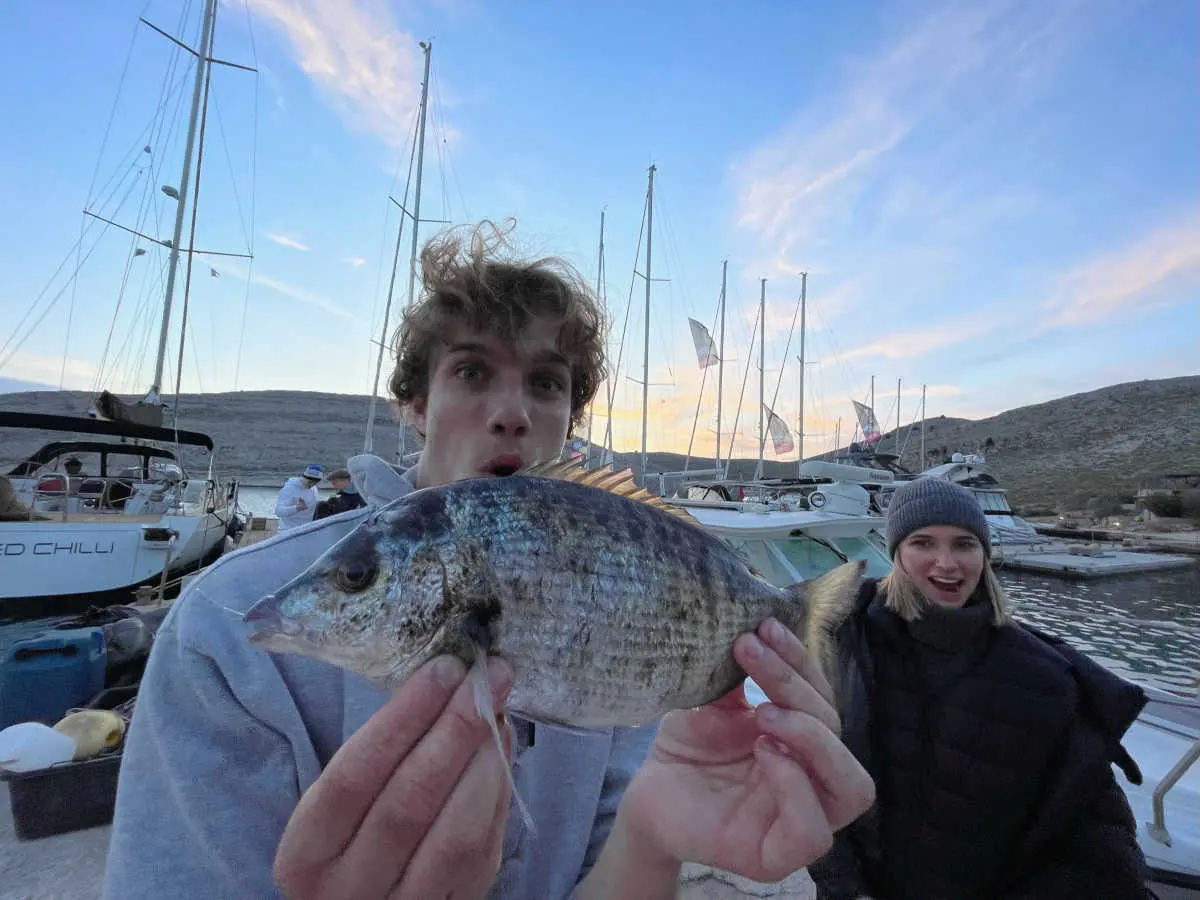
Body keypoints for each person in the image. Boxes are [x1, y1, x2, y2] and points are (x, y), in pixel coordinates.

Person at [102, 220, 874, 900]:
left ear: (570, 418)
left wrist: (651, 837)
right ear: (414, 405)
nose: (512, 412)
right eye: (471, 371)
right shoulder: (221, 631)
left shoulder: (618, 612)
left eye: (546, 383)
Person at [807, 476, 1152, 900]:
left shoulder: (1044, 676)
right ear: (896, 551)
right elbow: (808, 776)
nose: (947, 563)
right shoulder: (844, 641)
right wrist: (842, 884)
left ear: (984, 555)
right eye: (923, 542)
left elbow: (1096, 831)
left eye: (964, 544)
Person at [274, 464, 323, 531]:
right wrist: (296, 508)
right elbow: (278, 511)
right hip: (288, 532)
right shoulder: (289, 489)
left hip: (306, 531)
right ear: (304, 476)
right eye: (310, 482)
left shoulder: (314, 489)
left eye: (315, 483)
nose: (311, 485)